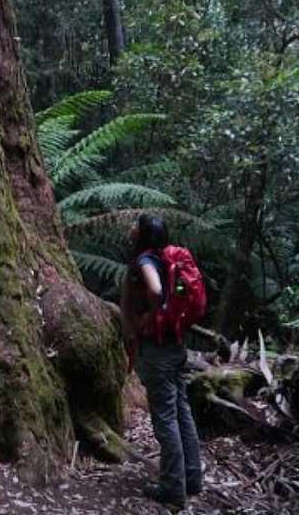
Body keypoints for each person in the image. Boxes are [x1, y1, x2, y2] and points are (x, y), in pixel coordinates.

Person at [120, 214, 202, 510]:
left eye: (136, 227)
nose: (131, 230)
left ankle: (172, 487)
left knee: (166, 419)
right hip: (175, 346)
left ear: (143, 234)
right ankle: (192, 478)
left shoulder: (145, 262)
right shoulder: (166, 258)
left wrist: (151, 315)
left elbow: (154, 290)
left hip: (157, 351)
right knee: (182, 412)